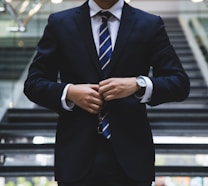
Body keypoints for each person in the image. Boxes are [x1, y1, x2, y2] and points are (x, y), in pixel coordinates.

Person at [24, 0, 190, 186]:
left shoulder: (149, 24)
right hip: (75, 158)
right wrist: (69, 92)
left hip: (132, 159)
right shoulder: (60, 23)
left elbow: (179, 83)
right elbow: (33, 84)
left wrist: (138, 84)